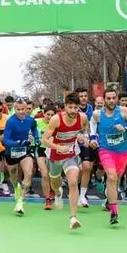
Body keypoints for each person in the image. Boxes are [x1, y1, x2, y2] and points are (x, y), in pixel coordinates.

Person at [89, 89, 127, 226]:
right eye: (108, 98)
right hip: (106, 150)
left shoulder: (124, 111)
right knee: (111, 177)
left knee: (116, 179)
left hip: (123, 151)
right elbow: (92, 127)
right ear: (104, 99)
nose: (111, 101)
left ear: (117, 98)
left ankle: (108, 198)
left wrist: (126, 130)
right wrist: (93, 138)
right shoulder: (97, 114)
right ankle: (114, 212)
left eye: (114, 98)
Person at [42, 93, 89, 229]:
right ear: (65, 107)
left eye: (76, 107)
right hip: (54, 155)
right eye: (70, 107)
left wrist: (83, 137)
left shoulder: (83, 118)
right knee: (55, 182)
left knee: (73, 182)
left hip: (71, 154)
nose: (73, 111)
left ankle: (73, 217)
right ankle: (57, 193)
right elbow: (44, 140)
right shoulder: (56, 119)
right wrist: (58, 147)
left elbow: (85, 130)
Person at [1, 97, 40, 215]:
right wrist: (18, 143)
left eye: (23, 109)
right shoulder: (10, 121)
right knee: (13, 175)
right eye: (18, 109)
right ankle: (16, 188)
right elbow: (6, 139)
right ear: (14, 109)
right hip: (11, 151)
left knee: (28, 173)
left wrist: (37, 139)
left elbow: (34, 129)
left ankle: (20, 202)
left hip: (25, 150)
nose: (21, 112)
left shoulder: (30, 120)